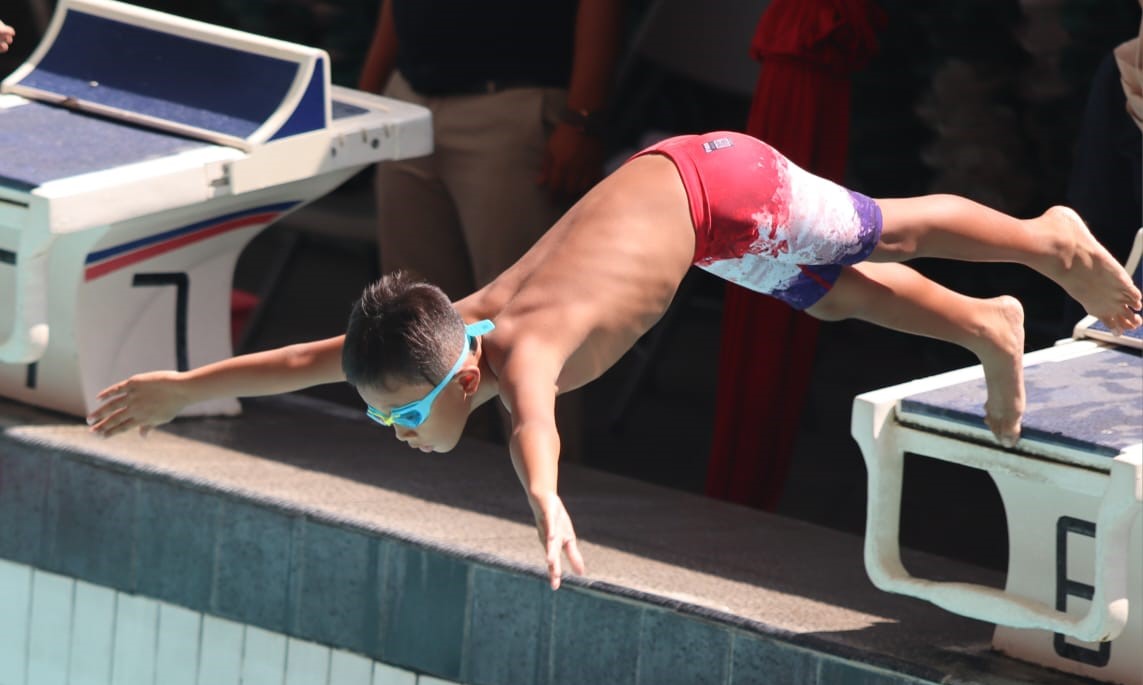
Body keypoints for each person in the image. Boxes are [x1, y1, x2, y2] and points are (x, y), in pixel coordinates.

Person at [87, 131, 1143, 591]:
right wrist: (185, 387)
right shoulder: (445, 329)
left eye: (400, 421)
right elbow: (302, 360)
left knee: (884, 232)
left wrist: (547, 505)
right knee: (833, 298)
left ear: (460, 382)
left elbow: (536, 426)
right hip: (698, 219)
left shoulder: (522, 351)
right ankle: (989, 323)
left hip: (717, 184)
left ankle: (1044, 237)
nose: (390, 433)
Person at [355, 0, 624, 453]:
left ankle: (544, 485)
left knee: (522, 322)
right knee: (412, 317)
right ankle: (434, 475)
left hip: (511, 104)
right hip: (408, 98)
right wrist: (367, 97)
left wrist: (583, 118)